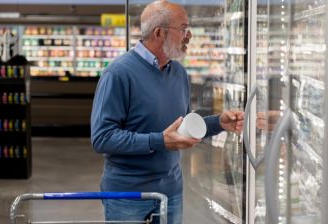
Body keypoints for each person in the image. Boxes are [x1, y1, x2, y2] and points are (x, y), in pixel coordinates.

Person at [90, 1, 244, 223]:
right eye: (183, 28)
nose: (189, 35)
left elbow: (182, 127)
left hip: (170, 192)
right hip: (128, 195)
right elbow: (102, 138)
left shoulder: (178, 73)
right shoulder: (118, 73)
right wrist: (159, 141)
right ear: (159, 33)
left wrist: (219, 122)